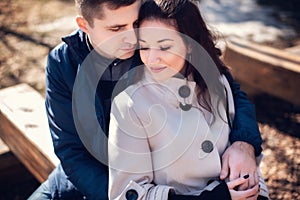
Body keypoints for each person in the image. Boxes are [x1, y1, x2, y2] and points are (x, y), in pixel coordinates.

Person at [28, 0, 263, 199]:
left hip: (158, 181)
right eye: (117, 28)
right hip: (90, 180)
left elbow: (227, 87)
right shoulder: (63, 64)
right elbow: (71, 151)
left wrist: (245, 142)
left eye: (135, 24)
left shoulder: (154, 40)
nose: (132, 37)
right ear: (84, 25)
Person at [108, 0, 269, 199]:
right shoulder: (129, 104)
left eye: (164, 47)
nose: (151, 59)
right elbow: (126, 195)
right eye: (144, 47)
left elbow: (244, 160)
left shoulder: (218, 79)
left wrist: (251, 178)